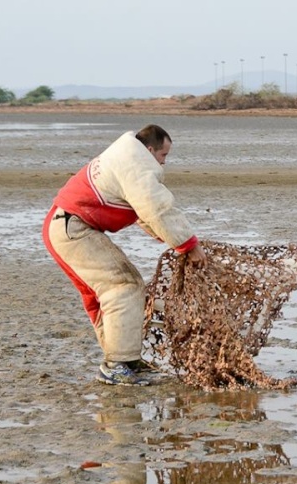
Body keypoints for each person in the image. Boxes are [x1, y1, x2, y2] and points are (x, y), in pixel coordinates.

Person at [43, 124, 206, 386]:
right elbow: (156, 207)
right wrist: (188, 245)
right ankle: (115, 365)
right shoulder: (136, 162)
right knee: (124, 285)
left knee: (101, 295)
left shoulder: (125, 156)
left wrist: (171, 241)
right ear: (150, 149)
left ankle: (125, 360)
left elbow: (142, 212)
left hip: (64, 225)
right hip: (71, 228)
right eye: (163, 156)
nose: (164, 163)